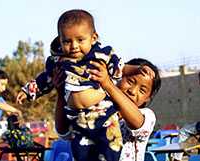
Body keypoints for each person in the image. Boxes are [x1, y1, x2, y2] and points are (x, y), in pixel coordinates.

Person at [17, 9, 125, 161]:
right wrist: (28, 91)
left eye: (80, 40)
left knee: (110, 151)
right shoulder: (60, 62)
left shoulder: (101, 55)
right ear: (60, 41)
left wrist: (124, 74)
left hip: (104, 119)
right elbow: (45, 79)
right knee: (80, 154)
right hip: (78, 121)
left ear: (93, 38)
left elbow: (120, 66)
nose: (74, 46)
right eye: (67, 41)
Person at [55, 58, 161, 161]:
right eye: (130, 81)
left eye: (142, 90)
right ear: (119, 76)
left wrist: (107, 84)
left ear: (147, 98)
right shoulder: (95, 106)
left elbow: (137, 123)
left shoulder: (146, 116)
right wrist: (61, 94)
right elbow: (64, 132)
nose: (132, 91)